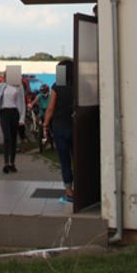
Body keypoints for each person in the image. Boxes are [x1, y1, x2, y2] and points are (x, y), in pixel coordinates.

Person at [42, 61, 75, 203]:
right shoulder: (78, 86)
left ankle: (69, 193)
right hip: (76, 127)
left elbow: (50, 108)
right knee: (78, 159)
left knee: (65, 160)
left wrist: (45, 124)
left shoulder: (57, 86)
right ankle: (82, 190)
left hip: (60, 127)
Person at [0, 68, 26, 174]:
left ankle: (12, 163)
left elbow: (22, 103)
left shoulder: (19, 87)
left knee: (14, 138)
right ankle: (6, 163)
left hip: (14, 112)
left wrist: (22, 118)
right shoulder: (1, 87)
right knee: (7, 137)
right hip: (4, 112)